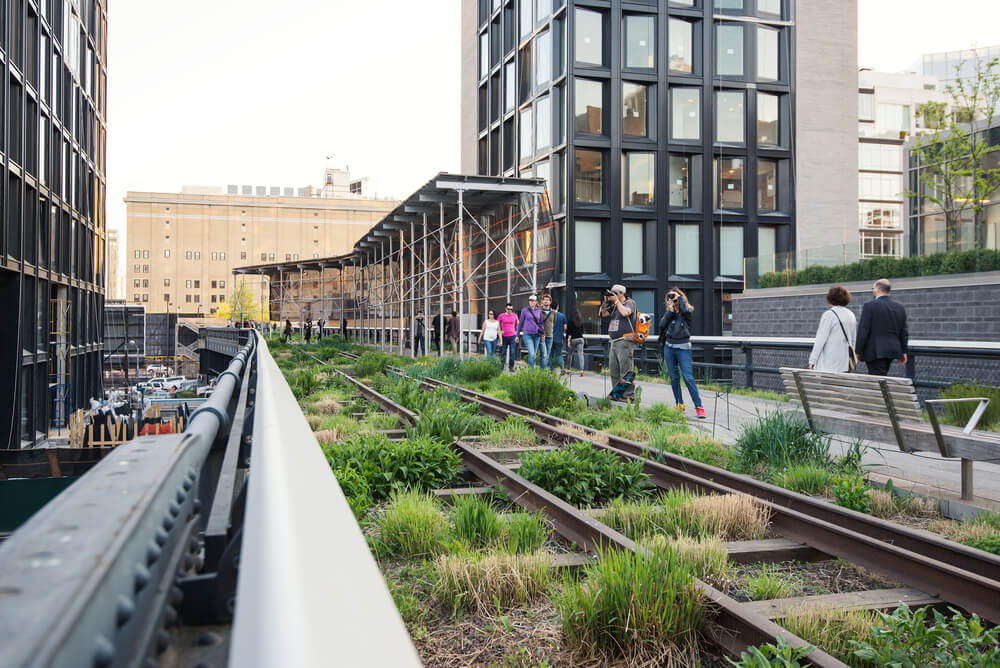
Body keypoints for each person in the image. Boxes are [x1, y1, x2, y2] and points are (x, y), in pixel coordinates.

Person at [659, 288, 705, 419]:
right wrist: (670, 311)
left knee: (688, 377)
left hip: (683, 348)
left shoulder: (686, 312)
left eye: (674, 297)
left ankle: (699, 407)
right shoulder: (670, 313)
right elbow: (662, 325)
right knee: (674, 378)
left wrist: (679, 300)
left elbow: (686, 312)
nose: (672, 299)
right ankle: (679, 404)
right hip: (669, 348)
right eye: (669, 297)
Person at [856, 278, 908, 376]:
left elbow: (863, 329)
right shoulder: (899, 307)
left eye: (873, 288)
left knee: (877, 381)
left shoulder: (869, 306)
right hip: (893, 350)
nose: (873, 290)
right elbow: (904, 332)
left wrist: (858, 351)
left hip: (874, 351)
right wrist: (904, 351)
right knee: (882, 376)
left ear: (878, 289)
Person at [599, 285, 637, 399]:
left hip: (625, 341)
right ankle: (617, 394)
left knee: (626, 370)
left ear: (621, 293)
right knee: (614, 369)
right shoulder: (615, 306)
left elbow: (625, 313)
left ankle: (628, 396)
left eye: (614, 293)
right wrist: (605, 302)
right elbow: (602, 314)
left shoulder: (630, 303)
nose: (612, 295)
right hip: (614, 342)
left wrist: (616, 301)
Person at [808, 285, 857, 373]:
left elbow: (820, 340)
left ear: (830, 299)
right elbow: (853, 339)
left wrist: (812, 360)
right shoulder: (851, 314)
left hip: (829, 363)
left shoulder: (829, 315)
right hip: (845, 363)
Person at [517, 295, 546, 369]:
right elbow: (520, 323)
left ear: (536, 302)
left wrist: (543, 334)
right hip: (527, 335)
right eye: (530, 300)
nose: (531, 302)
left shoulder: (539, 310)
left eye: (533, 300)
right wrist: (517, 335)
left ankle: (531, 371)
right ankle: (531, 373)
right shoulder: (524, 310)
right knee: (532, 354)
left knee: (534, 355)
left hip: (537, 335)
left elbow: (541, 323)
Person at [497, 303, 519, 371]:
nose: (510, 310)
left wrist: (517, 334)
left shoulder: (515, 315)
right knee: (503, 352)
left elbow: (518, 324)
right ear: (505, 309)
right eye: (508, 309)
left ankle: (511, 367)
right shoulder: (501, 316)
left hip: (512, 336)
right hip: (504, 337)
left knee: (512, 352)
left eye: (511, 309)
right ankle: (501, 366)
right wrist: (500, 331)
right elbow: (497, 325)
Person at [548, 302, 568, 371]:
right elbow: (565, 327)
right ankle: (562, 368)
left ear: (550, 307)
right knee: (559, 354)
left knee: (550, 355)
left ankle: (552, 370)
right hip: (559, 338)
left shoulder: (548, 315)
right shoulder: (562, 316)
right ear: (557, 307)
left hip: (550, 338)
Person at [538, 294, 555, 368]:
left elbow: (553, 322)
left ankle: (542, 371)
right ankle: (542, 372)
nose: (546, 301)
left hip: (550, 336)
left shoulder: (553, 312)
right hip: (541, 336)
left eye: (547, 300)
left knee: (547, 355)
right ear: (542, 301)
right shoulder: (539, 311)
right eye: (544, 299)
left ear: (550, 302)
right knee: (544, 354)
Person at [567, 307, 585, 373]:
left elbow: (569, 332)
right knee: (581, 354)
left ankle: (568, 369)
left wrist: (568, 341)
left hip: (573, 339)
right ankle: (581, 370)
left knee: (570, 354)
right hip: (581, 339)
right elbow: (582, 331)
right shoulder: (581, 320)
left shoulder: (570, 321)